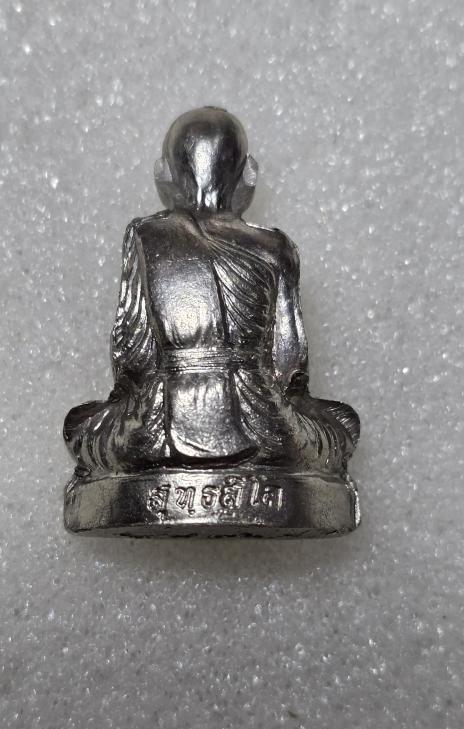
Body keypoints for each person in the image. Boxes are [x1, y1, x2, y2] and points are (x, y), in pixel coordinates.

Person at [64, 106, 359, 479]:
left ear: (164, 175)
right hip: (264, 427)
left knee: (79, 425)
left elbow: (133, 355)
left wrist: (137, 399)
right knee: (343, 425)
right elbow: (289, 366)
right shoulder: (276, 248)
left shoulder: (147, 237)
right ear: (248, 174)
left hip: (160, 425)